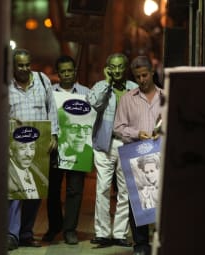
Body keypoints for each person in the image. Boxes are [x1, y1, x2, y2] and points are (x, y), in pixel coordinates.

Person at [7, 48, 58, 250]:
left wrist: (53, 134)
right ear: (13, 66)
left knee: (34, 192)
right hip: (15, 145)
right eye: (20, 65)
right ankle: (11, 235)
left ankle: (26, 233)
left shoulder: (42, 80)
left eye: (27, 64)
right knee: (15, 193)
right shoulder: (5, 85)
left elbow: (51, 108)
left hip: (39, 144)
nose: (25, 68)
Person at [86, 53, 138, 247]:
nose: (116, 71)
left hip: (127, 143)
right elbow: (96, 104)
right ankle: (102, 233)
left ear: (126, 68)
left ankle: (119, 234)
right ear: (107, 68)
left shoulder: (134, 88)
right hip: (104, 144)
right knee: (102, 188)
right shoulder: (100, 86)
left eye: (120, 67)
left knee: (125, 191)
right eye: (113, 67)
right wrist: (107, 83)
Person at [113, 55, 164, 255]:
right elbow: (118, 127)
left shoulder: (165, 96)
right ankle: (141, 244)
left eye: (144, 75)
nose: (142, 80)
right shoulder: (127, 99)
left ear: (152, 73)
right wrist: (137, 133)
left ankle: (160, 239)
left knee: (160, 199)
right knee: (139, 202)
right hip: (136, 154)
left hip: (160, 153)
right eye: (138, 77)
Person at [43, 55, 91, 245]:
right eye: (63, 71)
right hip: (54, 148)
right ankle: (55, 227)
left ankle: (70, 230)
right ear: (58, 73)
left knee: (75, 190)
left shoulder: (86, 93)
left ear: (74, 71)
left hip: (78, 149)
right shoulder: (50, 93)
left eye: (69, 70)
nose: (66, 74)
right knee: (53, 190)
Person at [8, 128, 49, 199]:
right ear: (11, 151)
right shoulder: (4, 177)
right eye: (23, 148)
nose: (29, 154)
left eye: (32, 148)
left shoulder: (37, 167)